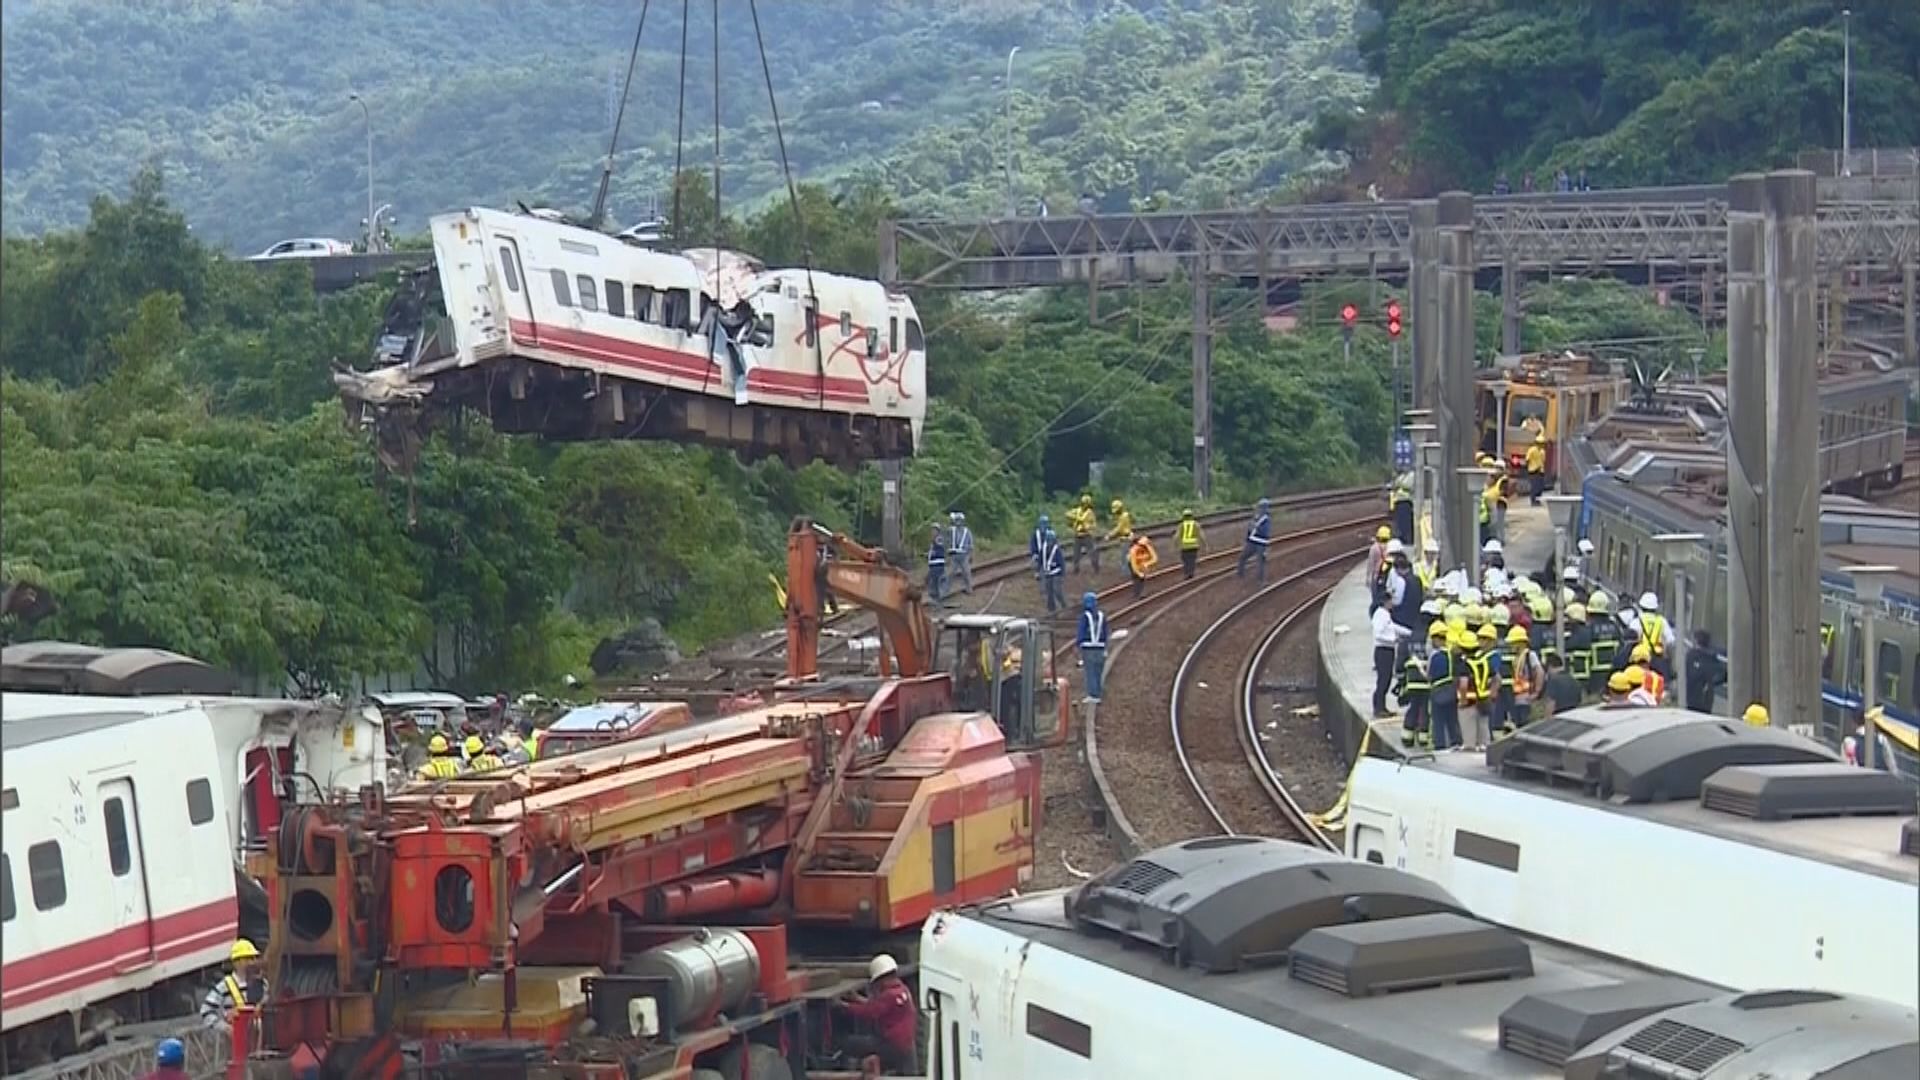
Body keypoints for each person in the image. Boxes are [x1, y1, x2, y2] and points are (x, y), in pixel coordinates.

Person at [836, 954, 917, 1074]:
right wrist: (857, 998)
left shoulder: (889, 995)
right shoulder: (902, 990)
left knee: (848, 1044)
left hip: (891, 1046)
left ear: (881, 979)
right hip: (906, 1046)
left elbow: (870, 1012)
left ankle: (849, 1070)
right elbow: (879, 1006)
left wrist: (844, 1006)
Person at [203, 940, 268, 1033]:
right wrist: (225, 1028)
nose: (252, 962)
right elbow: (206, 1011)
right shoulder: (224, 987)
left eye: (253, 958)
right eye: (248, 959)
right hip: (236, 1040)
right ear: (237, 962)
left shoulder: (263, 984)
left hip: (260, 1037)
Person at [1459, 624, 1501, 751]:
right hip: (1484, 699)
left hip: (1469, 702)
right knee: (1484, 731)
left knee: (1469, 736)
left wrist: (1463, 700)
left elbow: (1463, 684)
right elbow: (1497, 679)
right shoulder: (1484, 662)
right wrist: (1492, 692)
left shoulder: (1465, 664)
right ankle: (1485, 752)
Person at [1400, 623, 1442, 748]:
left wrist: (1401, 680)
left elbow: (1400, 661)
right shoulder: (1433, 638)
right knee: (1425, 709)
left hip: (1412, 681)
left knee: (1413, 708)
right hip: (1426, 681)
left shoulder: (1409, 638)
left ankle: (1407, 737)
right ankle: (1423, 737)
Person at [1500, 625, 1545, 732]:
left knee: (1525, 727)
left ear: (1521, 642)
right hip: (1514, 698)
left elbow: (1540, 673)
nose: (1510, 645)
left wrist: (1536, 692)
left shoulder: (1530, 655)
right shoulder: (1514, 657)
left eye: (1513, 643)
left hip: (1526, 698)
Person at [1370, 599, 1410, 719]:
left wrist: (1408, 633)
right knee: (1383, 679)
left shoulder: (1385, 614)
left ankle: (1382, 707)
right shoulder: (1380, 615)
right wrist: (1393, 640)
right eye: (1391, 601)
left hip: (1388, 650)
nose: (1393, 603)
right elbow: (1378, 634)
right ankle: (1379, 708)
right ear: (1385, 602)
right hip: (1383, 651)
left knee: (1386, 679)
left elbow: (1393, 627)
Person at [1076, 591, 1110, 703]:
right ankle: (1099, 693)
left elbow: (1081, 632)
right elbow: (1106, 632)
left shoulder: (1084, 617)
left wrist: (1078, 644)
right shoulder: (1101, 616)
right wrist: (1105, 646)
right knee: (1098, 671)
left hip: (1088, 648)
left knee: (1090, 672)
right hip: (1100, 647)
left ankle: (1093, 694)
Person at [1684, 630, 1723, 712]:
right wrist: (1711, 683)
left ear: (1696, 641)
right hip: (1706, 699)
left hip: (1691, 697)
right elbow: (1722, 674)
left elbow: (1686, 673)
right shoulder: (1713, 657)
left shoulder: (1691, 655)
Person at [1636, 592, 1673, 675]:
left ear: (1641, 607)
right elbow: (1671, 641)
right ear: (1655, 608)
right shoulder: (1662, 621)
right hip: (1657, 660)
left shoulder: (1637, 621)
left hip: (1640, 660)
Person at [1238, 497, 1273, 583]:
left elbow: (1265, 533)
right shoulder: (1256, 518)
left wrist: (1256, 527)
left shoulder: (1266, 519)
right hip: (1252, 542)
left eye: (1261, 507)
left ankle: (1261, 580)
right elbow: (1250, 530)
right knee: (1242, 557)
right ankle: (1240, 575)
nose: (1260, 509)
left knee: (1260, 562)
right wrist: (1247, 538)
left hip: (1261, 543)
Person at [1067, 494, 1099, 573]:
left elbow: (1094, 524)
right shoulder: (1077, 510)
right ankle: (1076, 568)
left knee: (1092, 552)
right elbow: (1067, 514)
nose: (1085, 505)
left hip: (1087, 535)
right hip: (1077, 535)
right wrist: (1076, 518)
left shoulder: (1090, 513)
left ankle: (1095, 567)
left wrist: (1088, 527)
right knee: (1076, 553)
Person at [1039, 528, 1067, 614]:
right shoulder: (1043, 549)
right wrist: (1038, 572)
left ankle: (1064, 605)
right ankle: (1052, 610)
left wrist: (1062, 574)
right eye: (1048, 540)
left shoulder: (1057, 550)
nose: (1050, 542)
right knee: (1049, 593)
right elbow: (1040, 561)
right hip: (1047, 574)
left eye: (1051, 540)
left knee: (1057, 590)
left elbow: (1061, 563)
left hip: (1056, 573)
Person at [948, 511, 974, 595]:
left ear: (963, 521)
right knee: (950, 573)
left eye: (959, 520)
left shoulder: (967, 531)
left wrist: (970, 555)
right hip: (954, 555)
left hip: (964, 555)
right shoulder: (952, 530)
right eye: (956, 520)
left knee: (966, 573)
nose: (958, 522)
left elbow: (971, 544)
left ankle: (969, 589)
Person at [1126, 531, 1158, 598]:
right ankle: (1137, 593)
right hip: (1133, 563)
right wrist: (1138, 572)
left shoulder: (1147, 546)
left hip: (1142, 563)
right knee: (1136, 577)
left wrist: (1147, 563)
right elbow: (1133, 564)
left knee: (1142, 578)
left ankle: (1140, 592)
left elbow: (1155, 558)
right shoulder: (1133, 550)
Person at [1177, 509, 1203, 580]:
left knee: (1186, 561)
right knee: (1192, 560)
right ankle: (1191, 573)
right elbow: (1201, 535)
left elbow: (1177, 536)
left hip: (1184, 547)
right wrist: (1205, 544)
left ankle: (1187, 573)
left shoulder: (1181, 525)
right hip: (1194, 546)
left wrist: (1174, 545)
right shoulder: (1196, 524)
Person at [925, 524, 948, 603]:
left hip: (937, 565)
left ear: (938, 531)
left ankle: (937, 599)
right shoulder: (934, 541)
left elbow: (939, 548)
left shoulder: (938, 539)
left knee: (933, 581)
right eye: (932, 530)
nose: (932, 532)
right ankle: (937, 598)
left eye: (934, 530)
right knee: (932, 581)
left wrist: (933, 551)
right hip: (933, 565)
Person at [1523, 434, 1547, 505]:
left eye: (1542, 443)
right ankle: (1533, 500)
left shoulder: (1542, 452)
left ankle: (1537, 499)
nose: (1541, 445)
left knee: (1540, 487)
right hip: (1533, 471)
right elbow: (1527, 459)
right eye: (1539, 443)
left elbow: (1543, 461)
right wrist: (1528, 468)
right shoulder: (1532, 450)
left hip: (1540, 471)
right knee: (1534, 486)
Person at [1028, 513, 1052, 582]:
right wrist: (1034, 553)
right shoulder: (1035, 534)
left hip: (1048, 552)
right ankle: (1037, 572)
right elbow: (1032, 544)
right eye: (1042, 523)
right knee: (1035, 559)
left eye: (1045, 523)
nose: (1043, 526)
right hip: (1038, 553)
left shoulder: (1050, 532)